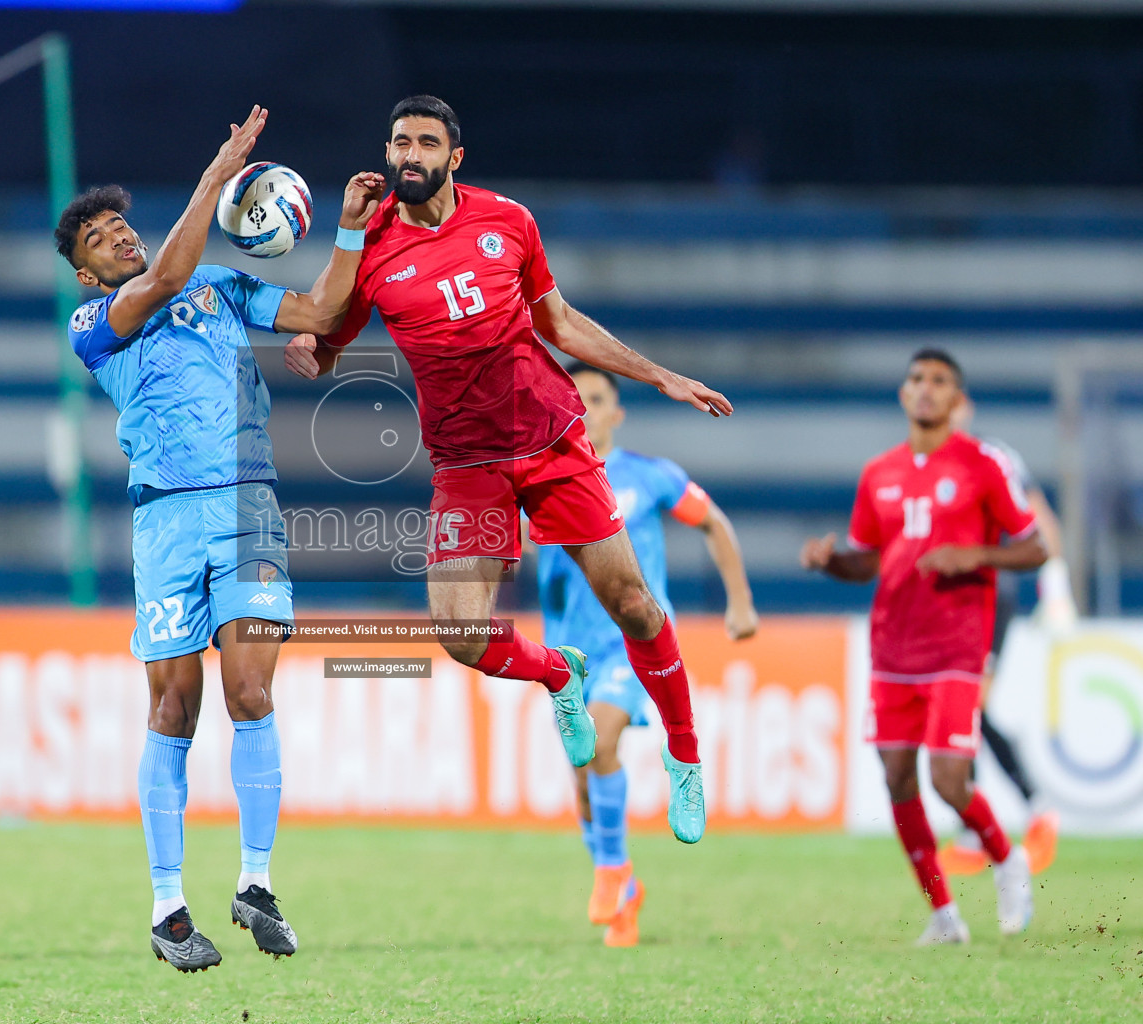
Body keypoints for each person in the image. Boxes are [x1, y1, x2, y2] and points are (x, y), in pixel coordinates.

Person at [283, 95, 732, 844]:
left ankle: (685, 757)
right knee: (459, 633)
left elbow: (559, 322)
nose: (411, 155)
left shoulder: (507, 221)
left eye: (427, 142)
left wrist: (660, 377)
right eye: (400, 142)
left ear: (455, 157)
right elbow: (328, 335)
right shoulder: (372, 244)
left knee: (634, 605)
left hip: (551, 440)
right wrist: (314, 352)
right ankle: (560, 674)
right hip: (466, 463)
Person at [54, 106, 385, 972]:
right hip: (165, 516)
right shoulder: (96, 325)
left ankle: (257, 883)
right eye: (98, 236)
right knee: (174, 707)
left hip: (248, 507)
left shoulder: (226, 288)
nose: (116, 235)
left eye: (120, 223)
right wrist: (218, 172)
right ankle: (168, 909)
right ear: (87, 274)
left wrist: (348, 231)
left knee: (252, 692)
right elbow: (164, 277)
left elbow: (320, 308)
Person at [800, 349, 1045, 945]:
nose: (926, 389)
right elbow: (867, 563)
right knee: (896, 776)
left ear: (956, 400)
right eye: (917, 379)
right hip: (892, 649)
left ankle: (1007, 858)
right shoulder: (878, 473)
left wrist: (977, 555)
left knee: (949, 779)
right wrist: (832, 562)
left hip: (957, 645)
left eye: (940, 381)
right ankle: (944, 914)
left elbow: (1035, 547)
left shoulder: (982, 465)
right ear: (903, 394)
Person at [537, 363, 758, 947]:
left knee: (601, 744)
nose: (584, 406)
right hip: (571, 649)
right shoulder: (540, 480)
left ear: (616, 413)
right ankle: (626, 890)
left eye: (596, 397)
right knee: (583, 777)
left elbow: (712, 522)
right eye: (574, 397)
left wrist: (738, 603)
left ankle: (611, 870)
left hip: (629, 645)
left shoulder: (648, 477)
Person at [938, 398, 1069, 876]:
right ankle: (1003, 817)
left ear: (965, 409)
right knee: (962, 706)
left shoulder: (995, 457)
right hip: (946, 601)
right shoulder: (923, 464)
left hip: (990, 595)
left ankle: (1032, 806)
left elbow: (1040, 521)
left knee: (968, 705)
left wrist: (1056, 590)